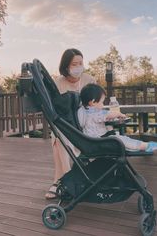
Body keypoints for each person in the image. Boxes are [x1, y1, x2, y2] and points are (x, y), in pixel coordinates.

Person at [45, 48, 95, 199]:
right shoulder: (57, 83)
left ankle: (66, 180)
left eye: (80, 63)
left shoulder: (89, 80)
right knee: (58, 137)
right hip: (66, 125)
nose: (78, 66)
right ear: (66, 66)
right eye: (74, 64)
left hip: (86, 123)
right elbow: (53, 110)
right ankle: (63, 180)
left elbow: (97, 105)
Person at [78, 83, 157, 152]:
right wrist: (118, 114)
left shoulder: (86, 111)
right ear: (93, 102)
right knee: (123, 141)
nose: (103, 105)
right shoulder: (92, 113)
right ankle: (145, 146)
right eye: (102, 102)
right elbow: (107, 114)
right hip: (99, 141)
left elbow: (104, 116)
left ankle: (142, 145)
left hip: (98, 139)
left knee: (123, 139)